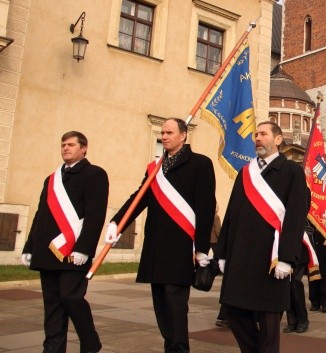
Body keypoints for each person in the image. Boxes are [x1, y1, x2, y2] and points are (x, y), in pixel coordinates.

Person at [105, 118, 216, 353]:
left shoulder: (200, 164)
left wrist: (202, 248)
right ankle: (171, 347)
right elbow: (140, 197)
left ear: (183, 135)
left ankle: (179, 349)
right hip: (155, 246)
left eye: (169, 132)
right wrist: (117, 222)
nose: (164, 136)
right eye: (162, 132)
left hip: (181, 246)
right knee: (161, 307)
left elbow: (206, 208)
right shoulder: (156, 167)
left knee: (176, 307)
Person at [215, 121, 309, 353]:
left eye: (263, 134)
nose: (258, 138)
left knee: (269, 323)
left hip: (272, 258)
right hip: (241, 255)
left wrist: (287, 257)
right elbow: (231, 214)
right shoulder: (246, 173)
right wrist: (223, 252)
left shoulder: (292, 171)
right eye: (256, 134)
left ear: (278, 139)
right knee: (234, 311)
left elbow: (296, 217)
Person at [22, 131, 108, 353]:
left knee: (70, 297)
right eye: (63, 145)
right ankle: (53, 348)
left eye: (70, 144)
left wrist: (84, 249)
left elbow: (95, 216)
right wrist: (30, 246)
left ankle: (90, 343)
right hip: (47, 251)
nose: (65, 148)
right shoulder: (52, 179)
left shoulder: (95, 174)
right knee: (52, 306)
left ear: (84, 148)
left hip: (73, 252)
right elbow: (41, 215)